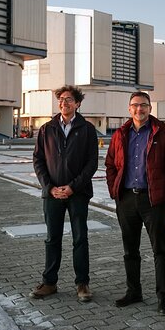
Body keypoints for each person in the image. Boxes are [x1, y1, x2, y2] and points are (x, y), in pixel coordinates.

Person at [105, 91, 165, 316]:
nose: (140, 109)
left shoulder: (163, 133)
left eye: (144, 105)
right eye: (135, 105)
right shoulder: (120, 134)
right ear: (129, 109)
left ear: (150, 108)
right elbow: (110, 164)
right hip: (127, 199)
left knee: (160, 249)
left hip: (152, 199)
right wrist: (114, 190)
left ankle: (163, 297)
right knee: (130, 250)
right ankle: (134, 291)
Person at [31, 85, 99, 302]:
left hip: (77, 193)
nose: (64, 103)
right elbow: (38, 160)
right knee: (52, 238)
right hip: (52, 194)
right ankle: (49, 282)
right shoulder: (46, 128)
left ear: (78, 103)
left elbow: (91, 164)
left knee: (80, 238)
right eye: (61, 99)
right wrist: (49, 187)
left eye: (69, 99)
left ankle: (82, 284)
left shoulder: (87, 129)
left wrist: (72, 187)